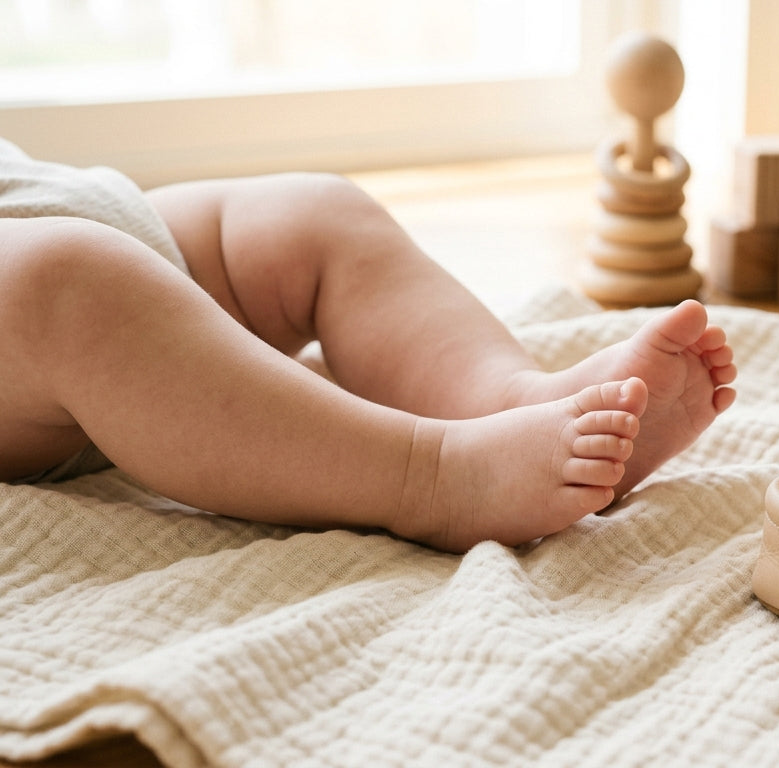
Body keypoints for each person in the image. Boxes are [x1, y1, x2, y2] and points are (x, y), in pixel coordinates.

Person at [0, 139, 737, 553]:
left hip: (83, 214)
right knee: (68, 281)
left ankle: (509, 397)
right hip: (39, 317)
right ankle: (435, 474)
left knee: (314, 212)